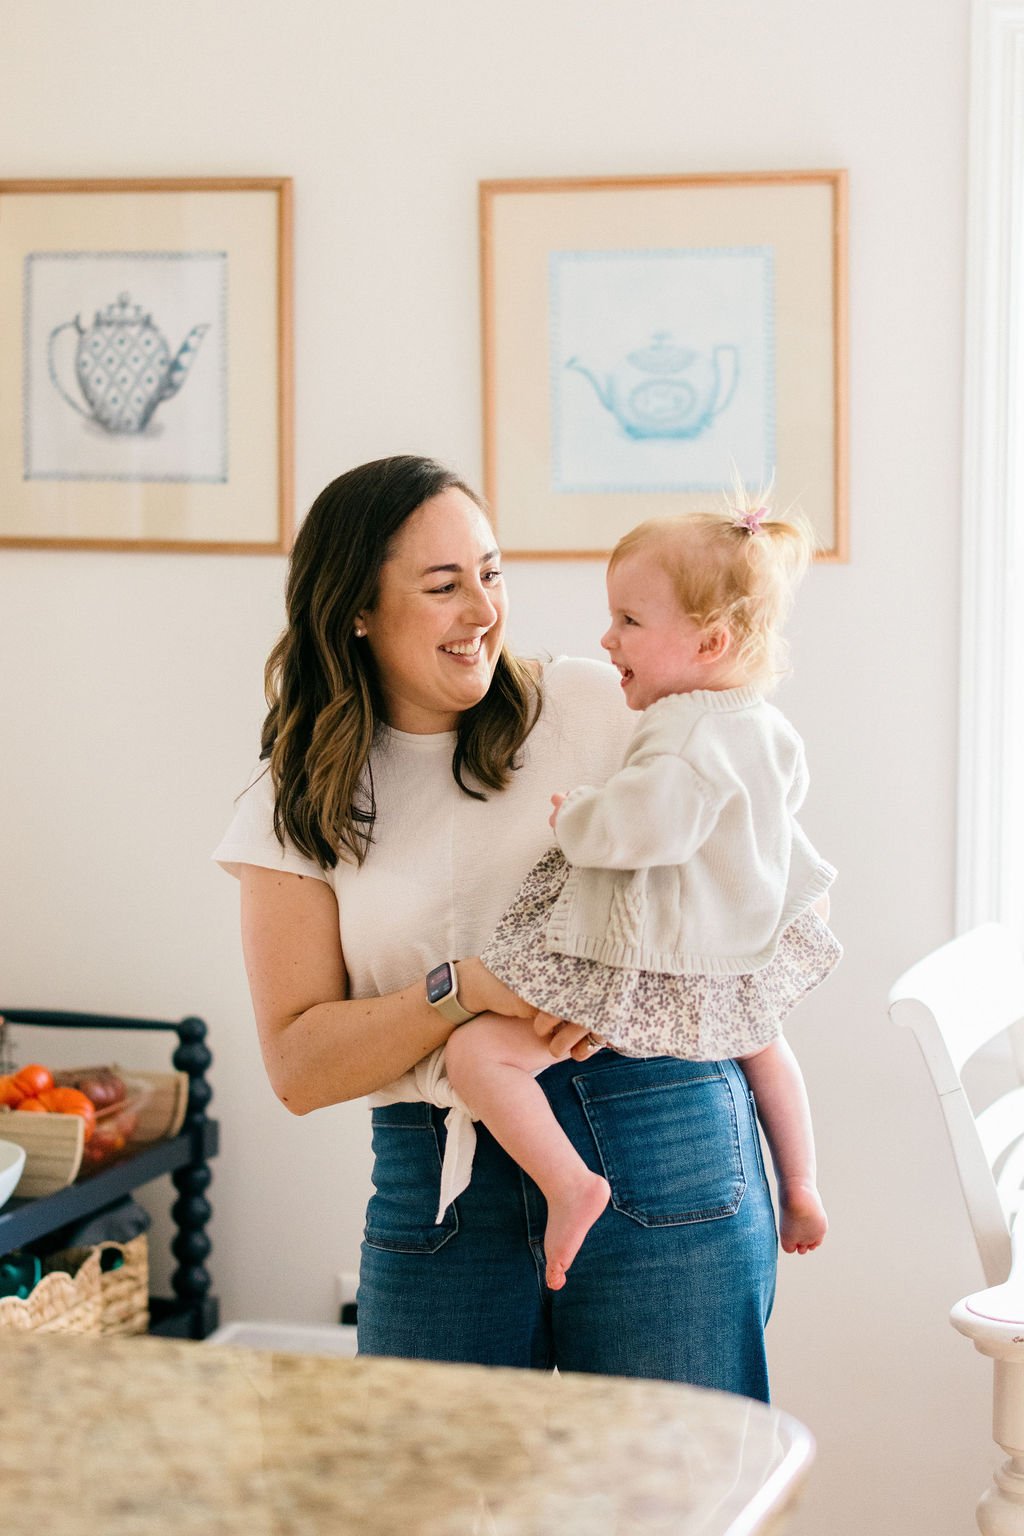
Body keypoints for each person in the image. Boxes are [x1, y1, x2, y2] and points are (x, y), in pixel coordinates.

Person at [213, 455, 778, 1400]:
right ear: (356, 608)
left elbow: (758, 871)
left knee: (673, 1503)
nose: (483, 609)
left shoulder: (600, 707)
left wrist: (627, 984)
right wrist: (464, 990)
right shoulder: (299, 799)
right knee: (420, 1499)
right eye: (443, 586)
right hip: (441, 1175)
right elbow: (300, 1066)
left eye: (491, 571)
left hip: (656, 1125)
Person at [444, 499, 841, 1291]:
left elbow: (647, 827)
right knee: (766, 1048)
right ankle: (800, 1184)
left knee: (476, 1052)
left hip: (648, 956)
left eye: (628, 620)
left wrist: (579, 817)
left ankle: (569, 1183)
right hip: (727, 960)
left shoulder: (681, 729)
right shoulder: (765, 728)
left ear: (710, 641)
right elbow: (776, 837)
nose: (607, 639)